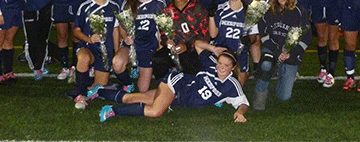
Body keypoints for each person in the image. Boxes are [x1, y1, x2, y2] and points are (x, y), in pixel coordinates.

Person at [95, 49, 248, 123]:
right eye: (220, 63)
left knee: (131, 98)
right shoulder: (211, 64)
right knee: (155, 111)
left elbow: (243, 103)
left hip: (180, 99)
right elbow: (198, 45)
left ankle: (99, 91)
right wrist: (214, 49)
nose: (221, 67)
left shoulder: (232, 85)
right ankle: (113, 111)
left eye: (226, 65)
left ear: (233, 68)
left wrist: (240, 113)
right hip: (177, 84)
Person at [253, 0, 312, 110]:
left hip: (291, 52)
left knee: (284, 96)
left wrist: (291, 53)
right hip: (273, 49)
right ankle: (260, 95)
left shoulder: (299, 10)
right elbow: (263, 33)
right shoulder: (268, 8)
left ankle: (282, 71)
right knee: (266, 65)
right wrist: (277, 51)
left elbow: (306, 35)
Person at [69, 0, 122, 110]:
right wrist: (89, 39)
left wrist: (116, 52)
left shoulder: (114, 7)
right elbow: (76, 31)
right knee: (84, 58)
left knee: (98, 89)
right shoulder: (85, 6)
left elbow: (116, 31)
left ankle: (88, 77)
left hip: (105, 52)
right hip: (88, 47)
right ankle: (80, 94)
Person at [203, 0, 258, 86]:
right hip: (222, 49)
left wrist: (248, 39)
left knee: (240, 83)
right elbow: (213, 35)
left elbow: (254, 36)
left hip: (239, 51)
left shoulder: (249, 13)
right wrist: (211, 16)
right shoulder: (220, 10)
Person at [153, 0, 209, 78]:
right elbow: (163, 34)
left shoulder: (197, 7)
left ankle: (190, 87)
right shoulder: (167, 11)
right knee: (158, 59)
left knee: (189, 62)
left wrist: (187, 46)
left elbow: (204, 34)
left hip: (193, 48)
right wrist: (168, 42)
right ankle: (164, 86)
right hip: (174, 48)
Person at [121, 0, 166, 92]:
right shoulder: (128, 3)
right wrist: (126, 38)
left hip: (149, 45)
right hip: (132, 44)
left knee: (143, 89)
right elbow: (121, 26)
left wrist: (161, 46)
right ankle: (128, 82)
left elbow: (162, 27)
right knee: (117, 63)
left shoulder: (159, 2)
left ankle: (138, 66)